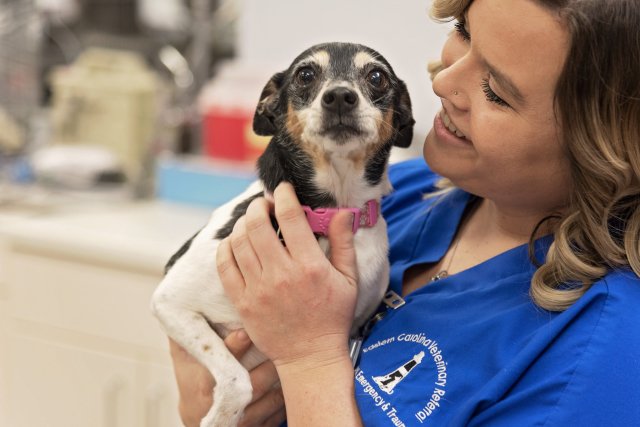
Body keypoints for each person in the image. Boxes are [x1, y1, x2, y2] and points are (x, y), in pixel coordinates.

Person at [171, 0, 640, 425]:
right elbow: (202, 394)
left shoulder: (600, 356)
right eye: (464, 31)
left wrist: (309, 359)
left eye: (496, 90)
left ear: (599, 145)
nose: (441, 80)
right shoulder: (394, 197)